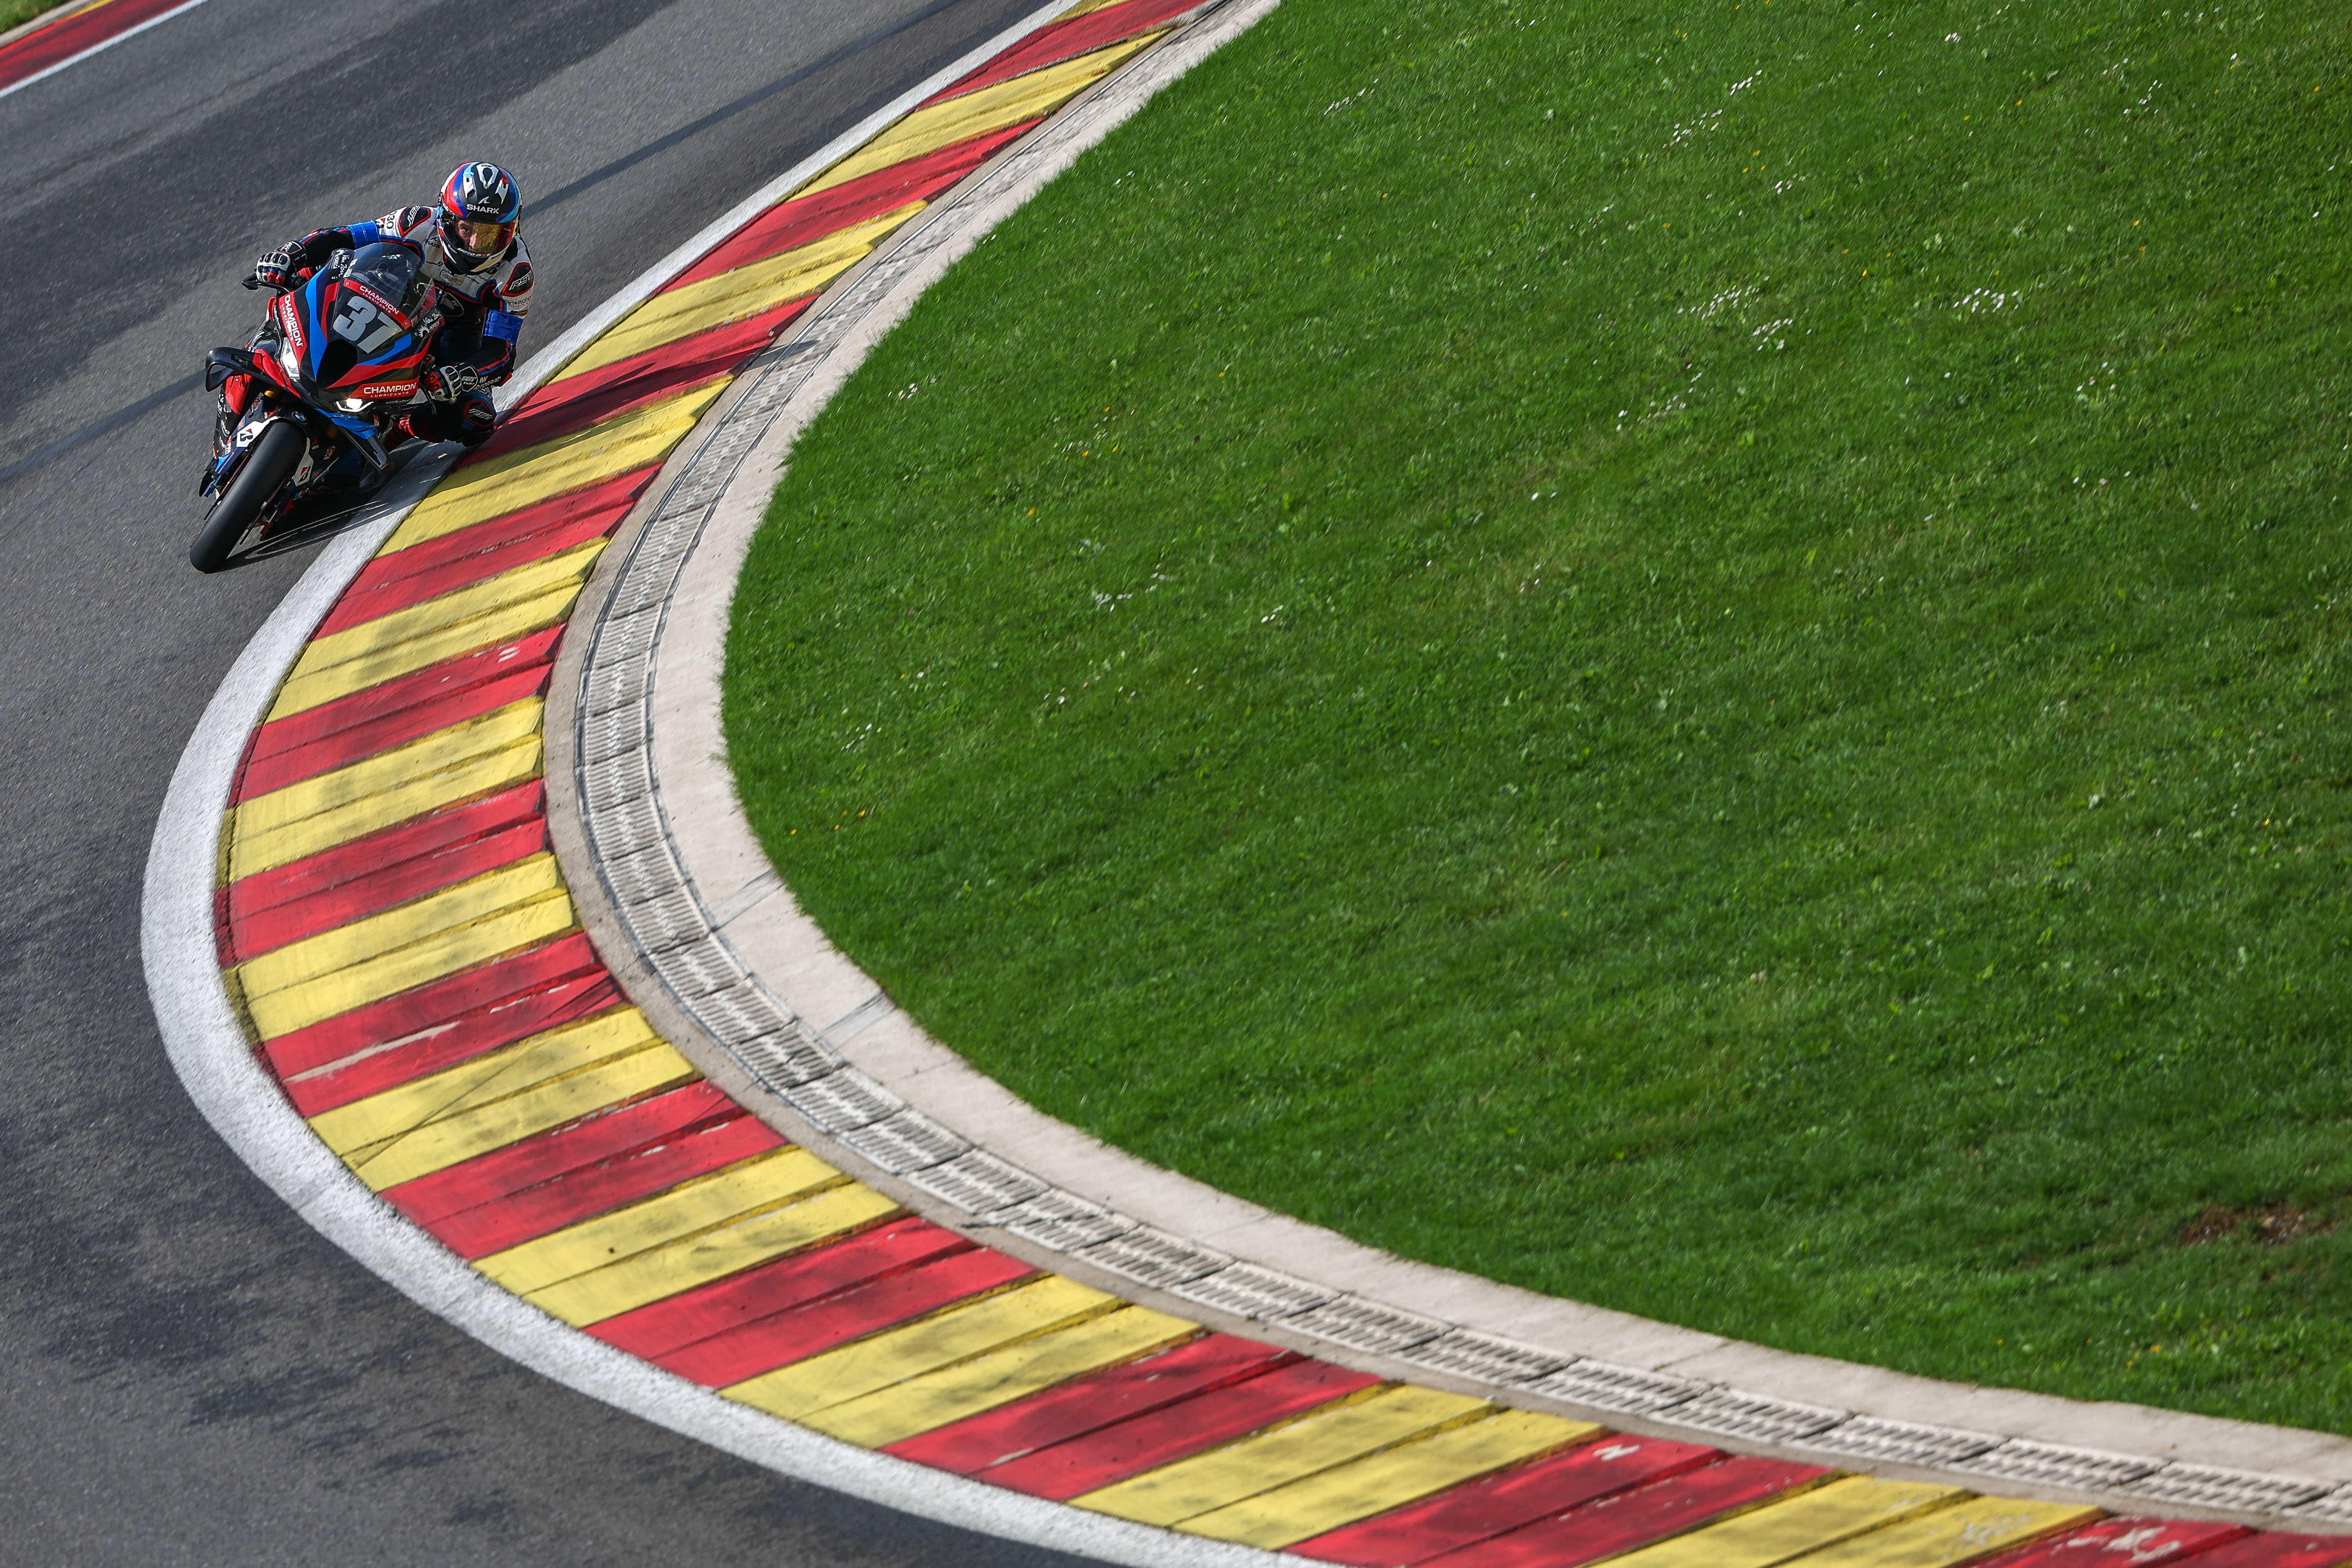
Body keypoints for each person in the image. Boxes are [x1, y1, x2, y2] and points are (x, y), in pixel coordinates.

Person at [220, 162, 533, 452]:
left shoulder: (516, 273)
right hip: (391, 299)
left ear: (512, 229)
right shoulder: (417, 223)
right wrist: (292, 252)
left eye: (491, 235)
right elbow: (346, 237)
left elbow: (502, 351)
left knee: (475, 416)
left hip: (450, 334)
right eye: (467, 229)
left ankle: (398, 427)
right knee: (304, 274)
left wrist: (465, 374)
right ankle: (267, 348)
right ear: (447, 220)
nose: (477, 245)